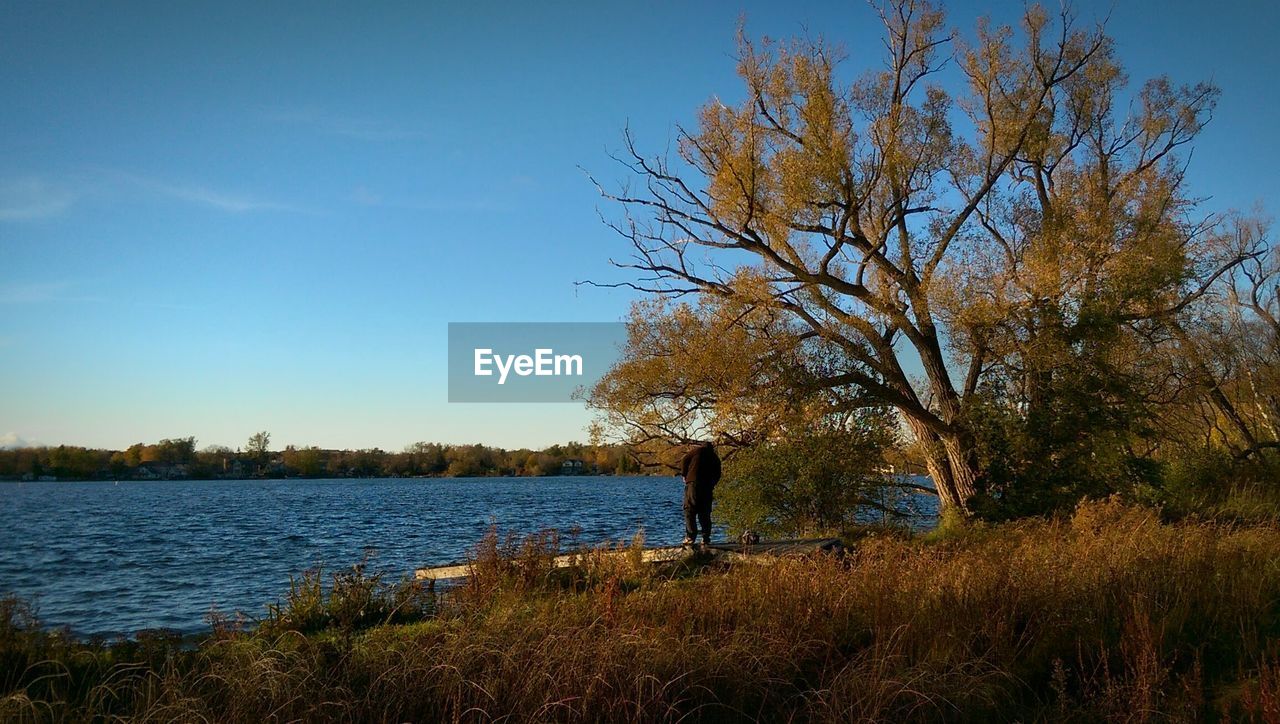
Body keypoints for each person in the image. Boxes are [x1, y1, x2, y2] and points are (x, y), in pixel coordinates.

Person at [679, 441, 721, 545]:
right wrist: (712, 484)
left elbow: (684, 459)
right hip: (707, 487)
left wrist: (684, 474)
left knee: (689, 510)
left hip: (693, 484)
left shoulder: (696, 451)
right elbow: (718, 473)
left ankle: (690, 537)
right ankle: (705, 537)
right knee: (705, 512)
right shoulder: (714, 457)